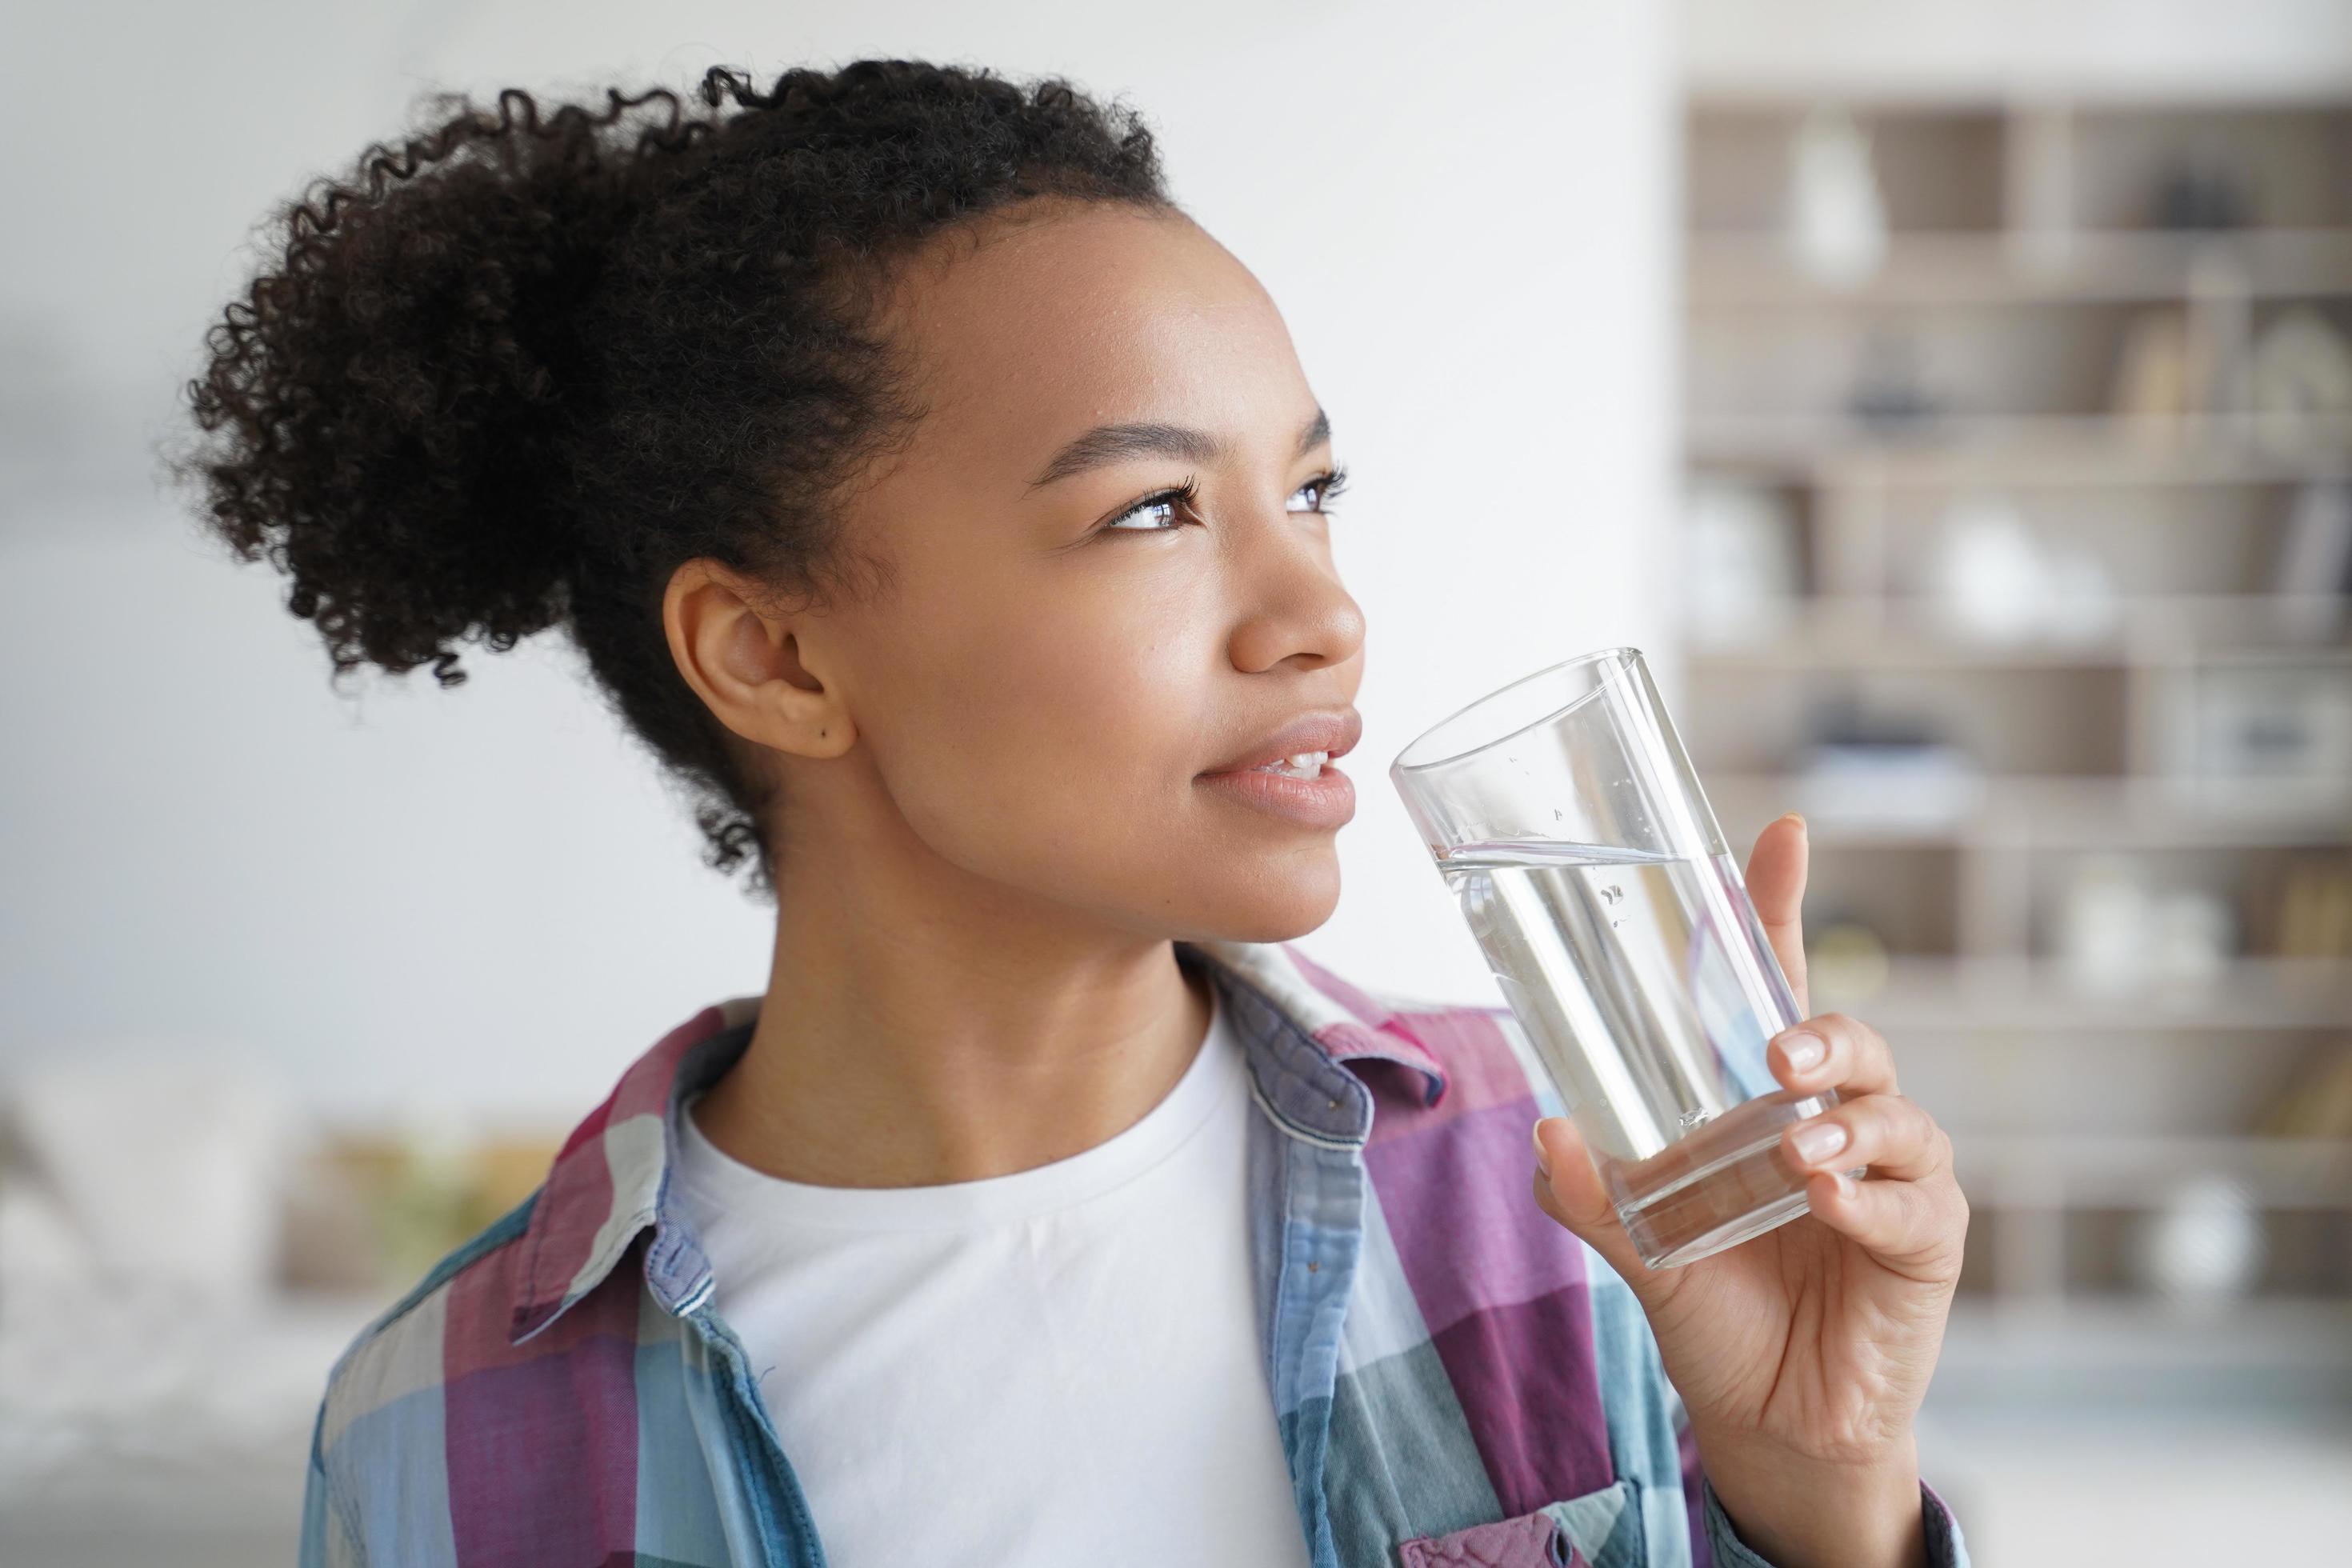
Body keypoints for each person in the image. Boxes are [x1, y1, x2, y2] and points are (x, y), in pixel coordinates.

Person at [178, 58, 1971, 1568]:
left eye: (1314, 487)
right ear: (774, 653)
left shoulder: (1580, 1193)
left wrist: (1825, 1490)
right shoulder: (439, 1433)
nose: (1322, 610)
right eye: (1152, 514)